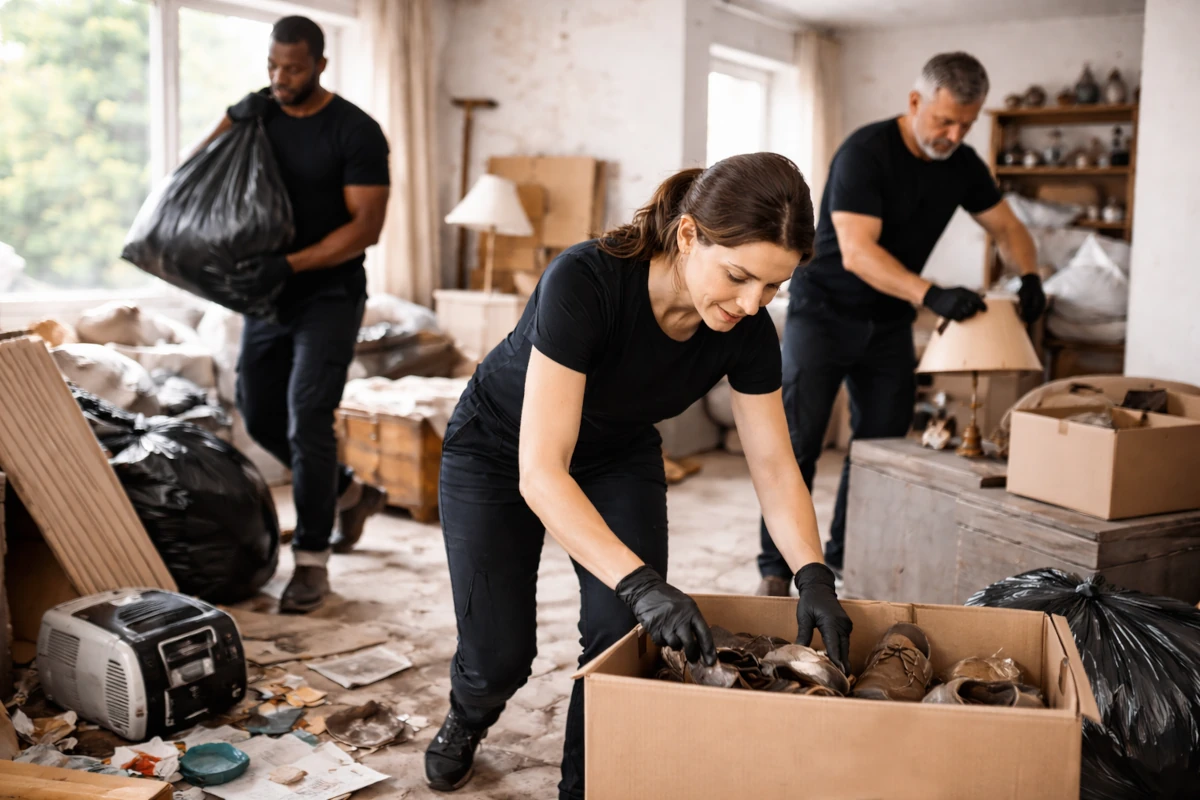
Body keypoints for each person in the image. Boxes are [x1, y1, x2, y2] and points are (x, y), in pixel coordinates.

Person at [423, 153, 853, 799]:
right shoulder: (585, 280)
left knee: (622, 642)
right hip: (499, 448)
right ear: (688, 235)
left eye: (773, 288)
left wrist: (813, 573)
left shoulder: (748, 328)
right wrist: (643, 583)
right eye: (738, 276)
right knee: (499, 657)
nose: (751, 303)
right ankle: (469, 712)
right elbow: (541, 472)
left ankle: (583, 786)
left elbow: (772, 463)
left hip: (617, 454)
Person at [755, 52, 1046, 596]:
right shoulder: (866, 153)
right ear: (915, 103)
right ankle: (775, 569)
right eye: (943, 120)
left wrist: (1030, 276)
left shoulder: (962, 164)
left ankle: (843, 557)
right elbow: (859, 254)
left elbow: (1007, 227)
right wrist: (932, 294)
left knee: (880, 449)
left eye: (967, 123)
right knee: (799, 442)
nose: (954, 134)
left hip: (887, 321)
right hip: (824, 311)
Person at [192, 16, 392, 613]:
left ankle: (311, 563)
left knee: (308, 414)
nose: (281, 79)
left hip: (329, 295)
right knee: (257, 411)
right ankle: (350, 493)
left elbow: (367, 227)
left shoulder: (355, 130)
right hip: (268, 296)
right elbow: (197, 173)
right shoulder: (260, 117)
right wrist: (233, 115)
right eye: (273, 68)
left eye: (294, 69)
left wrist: (290, 265)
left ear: (321, 66)